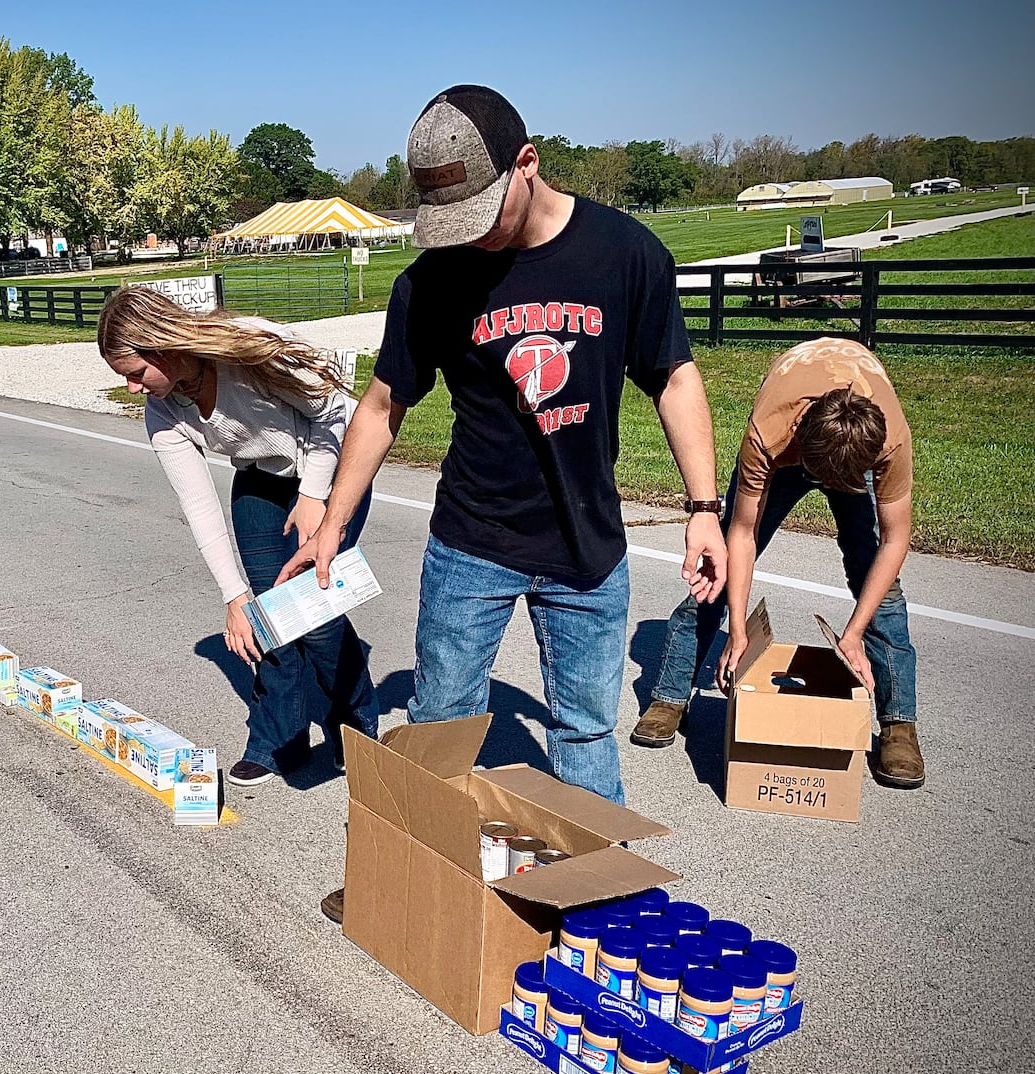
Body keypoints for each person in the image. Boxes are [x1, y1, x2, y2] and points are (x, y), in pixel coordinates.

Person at [281, 84, 726, 810]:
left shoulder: (624, 253)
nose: (471, 236)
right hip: (471, 543)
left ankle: (594, 905)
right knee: (439, 727)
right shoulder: (431, 280)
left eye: (480, 215)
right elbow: (384, 403)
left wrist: (704, 507)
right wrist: (331, 521)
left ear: (527, 163)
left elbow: (673, 379)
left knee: (584, 734)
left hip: (588, 547)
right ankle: (416, 894)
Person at [96, 286, 379, 787]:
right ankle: (278, 739)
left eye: (137, 374)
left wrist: (314, 495)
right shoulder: (163, 410)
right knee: (267, 615)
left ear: (162, 346)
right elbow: (198, 505)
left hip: (332, 471)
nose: (134, 389)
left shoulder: (252, 350)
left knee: (312, 613)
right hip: (262, 479)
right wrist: (234, 597)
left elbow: (338, 411)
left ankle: (354, 724)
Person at [632, 337, 924, 788]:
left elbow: (895, 540)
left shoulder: (890, 441)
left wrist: (852, 634)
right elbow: (742, 536)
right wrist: (738, 629)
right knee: (718, 567)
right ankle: (670, 694)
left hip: (848, 443)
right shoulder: (770, 433)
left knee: (879, 582)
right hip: (790, 442)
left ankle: (899, 724)